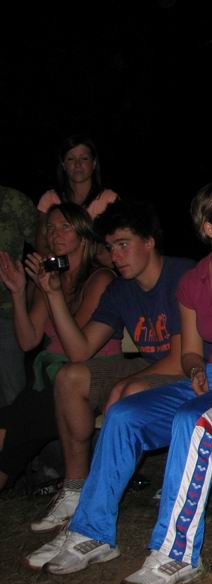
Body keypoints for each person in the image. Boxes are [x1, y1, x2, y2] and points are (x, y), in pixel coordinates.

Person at [30, 183, 212, 584]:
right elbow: (189, 351)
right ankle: (91, 532)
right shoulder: (193, 282)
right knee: (123, 415)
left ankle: (177, 555)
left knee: (195, 421)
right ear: (210, 228)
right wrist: (195, 368)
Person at [24, 199, 192, 538]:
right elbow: (79, 351)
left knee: (128, 390)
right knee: (69, 377)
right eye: (111, 247)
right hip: (152, 364)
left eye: (124, 244)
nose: (115, 256)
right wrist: (52, 295)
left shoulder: (181, 275)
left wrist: (124, 384)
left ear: (149, 241)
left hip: (194, 367)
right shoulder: (120, 289)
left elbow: (180, 358)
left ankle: (100, 500)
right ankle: (75, 489)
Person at [0, 204, 119, 491]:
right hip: (49, 380)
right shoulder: (52, 279)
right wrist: (18, 293)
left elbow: (75, 350)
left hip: (89, 379)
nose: (55, 234)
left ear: (83, 234)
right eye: (51, 228)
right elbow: (28, 340)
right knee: (10, 422)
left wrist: (52, 294)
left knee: (13, 429)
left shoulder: (101, 279)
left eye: (65, 227)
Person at [35, 135, 118, 263]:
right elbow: (42, 243)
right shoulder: (50, 199)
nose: (78, 164)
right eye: (71, 159)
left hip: (98, 267)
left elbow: (119, 241)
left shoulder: (109, 199)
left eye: (84, 158)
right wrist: (59, 264)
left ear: (94, 163)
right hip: (61, 267)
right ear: (63, 164)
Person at [0, 185, 37, 407]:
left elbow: (44, 246)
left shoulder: (13, 201)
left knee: (13, 395)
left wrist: (31, 291)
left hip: (7, 310)